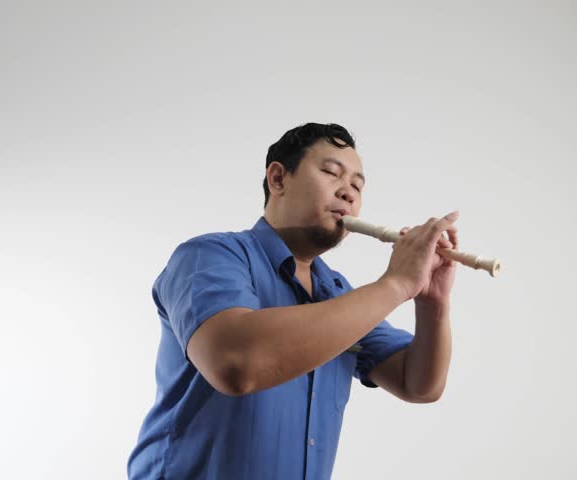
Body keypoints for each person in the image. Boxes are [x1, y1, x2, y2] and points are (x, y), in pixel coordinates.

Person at [127, 123, 460, 480]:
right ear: (278, 179)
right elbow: (236, 364)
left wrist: (431, 302)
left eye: (358, 186)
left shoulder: (338, 293)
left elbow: (419, 383)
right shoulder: (210, 256)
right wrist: (396, 284)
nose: (348, 192)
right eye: (332, 173)